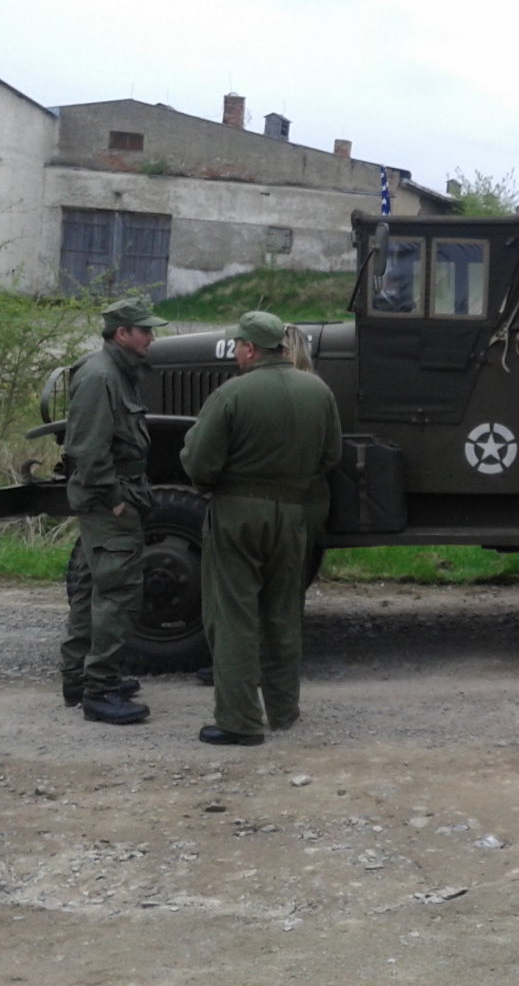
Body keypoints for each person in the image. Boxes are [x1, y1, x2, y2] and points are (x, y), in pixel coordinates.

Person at [180, 310, 341, 746]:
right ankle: (284, 710)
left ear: (251, 349)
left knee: (233, 614)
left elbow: (199, 463)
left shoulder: (232, 393)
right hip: (294, 514)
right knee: (283, 613)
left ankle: (239, 721)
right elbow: (331, 457)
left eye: (237, 345)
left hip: (237, 514)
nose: (235, 352)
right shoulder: (318, 392)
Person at [61, 296, 168, 724]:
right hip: (108, 502)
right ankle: (99, 690)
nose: (151, 338)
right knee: (116, 593)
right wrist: (117, 501)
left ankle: (79, 676)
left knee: (91, 588)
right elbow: (87, 451)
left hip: (109, 499)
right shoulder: (99, 376)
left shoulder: (118, 373)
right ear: (121, 334)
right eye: (144, 330)